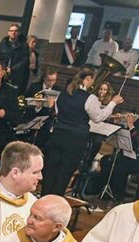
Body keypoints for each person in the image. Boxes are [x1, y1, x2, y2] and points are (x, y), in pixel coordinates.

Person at [41, 68, 121, 196]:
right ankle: (55, 200)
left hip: (57, 135)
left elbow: (58, 111)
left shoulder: (62, 93)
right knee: (64, 174)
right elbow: (98, 117)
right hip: (75, 140)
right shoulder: (90, 98)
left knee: (50, 171)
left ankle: (44, 197)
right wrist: (112, 103)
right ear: (88, 78)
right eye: (92, 79)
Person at [0, 24, 28, 93]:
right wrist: (3, 68)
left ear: (19, 33)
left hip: (16, 75)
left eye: (16, 31)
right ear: (8, 32)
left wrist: (12, 69)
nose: (13, 32)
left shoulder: (24, 46)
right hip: (2, 73)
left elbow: (24, 61)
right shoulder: (1, 45)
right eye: (11, 31)